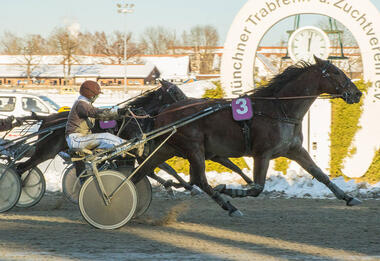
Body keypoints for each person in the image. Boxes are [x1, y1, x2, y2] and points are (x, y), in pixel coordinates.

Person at [65, 80, 127, 152]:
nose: (97, 97)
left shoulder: (85, 104)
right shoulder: (81, 104)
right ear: (92, 96)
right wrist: (118, 111)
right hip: (76, 140)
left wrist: (118, 117)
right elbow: (96, 113)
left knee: (108, 140)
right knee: (106, 137)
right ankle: (129, 147)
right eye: (97, 95)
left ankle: (123, 149)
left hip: (81, 139)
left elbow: (101, 117)